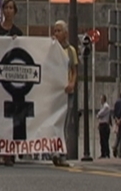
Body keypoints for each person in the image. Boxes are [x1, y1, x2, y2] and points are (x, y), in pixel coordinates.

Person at [0, 0, 22, 166]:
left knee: (10, 118)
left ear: (14, 12)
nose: (8, 10)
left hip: (11, 81)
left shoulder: (18, 33)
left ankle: (8, 152)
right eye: (6, 7)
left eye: (11, 8)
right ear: (2, 10)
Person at [51, 20, 78, 167]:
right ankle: (54, 151)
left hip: (67, 92)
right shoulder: (52, 49)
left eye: (59, 31)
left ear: (66, 33)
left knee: (65, 123)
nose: (56, 33)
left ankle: (62, 154)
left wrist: (72, 83)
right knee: (54, 123)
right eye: (55, 30)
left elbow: (74, 71)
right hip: (54, 92)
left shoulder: (70, 51)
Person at [96, 95, 111, 159]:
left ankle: (105, 153)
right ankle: (104, 153)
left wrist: (98, 115)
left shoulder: (106, 106)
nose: (100, 100)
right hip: (102, 124)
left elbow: (100, 114)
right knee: (102, 140)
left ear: (104, 99)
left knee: (104, 140)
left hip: (104, 125)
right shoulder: (103, 106)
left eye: (101, 99)